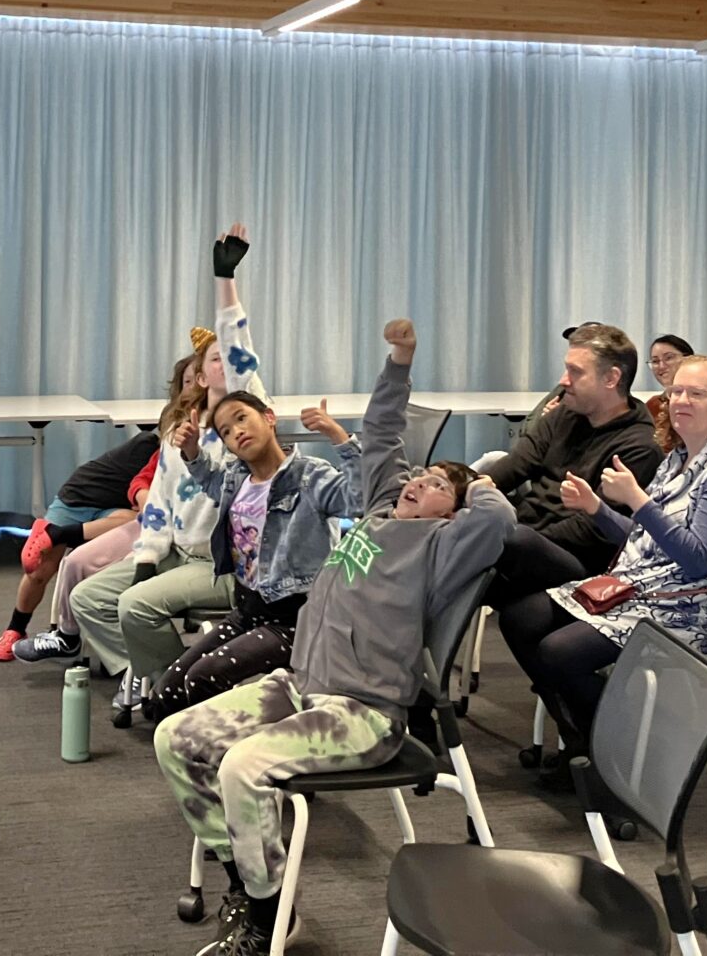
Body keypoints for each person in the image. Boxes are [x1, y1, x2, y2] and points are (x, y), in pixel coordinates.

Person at [154, 320, 513, 956]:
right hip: (302, 683)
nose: (418, 483)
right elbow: (380, 435)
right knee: (175, 738)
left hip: (362, 711)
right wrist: (399, 360)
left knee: (240, 767)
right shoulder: (380, 511)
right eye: (419, 476)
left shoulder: (441, 546)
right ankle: (252, 878)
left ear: (451, 513)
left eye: (435, 487)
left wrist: (477, 481)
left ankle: (267, 915)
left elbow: (498, 518)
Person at [496, 354, 707, 783]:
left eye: (696, 393)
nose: (681, 400)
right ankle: (587, 745)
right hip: (648, 589)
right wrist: (598, 508)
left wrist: (638, 500)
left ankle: (613, 754)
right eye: (676, 391)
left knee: (558, 652)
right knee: (520, 617)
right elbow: (644, 539)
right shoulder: (680, 458)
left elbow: (698, 560)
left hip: (698, 610)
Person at [69, 225, 262, 725]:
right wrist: (147, 554)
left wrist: (225, 279)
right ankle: (167, 671)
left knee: (134, 606)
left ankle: (175, 685)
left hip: (222, 563)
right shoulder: (182, 425)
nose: (224, 362)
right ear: (198, 374)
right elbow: (159, 497)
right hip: (176, 550)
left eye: (228, 358)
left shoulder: (246, 412)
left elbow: (238, 344)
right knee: (87, 598)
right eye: (213, 359)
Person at [0, 336, 216, 661]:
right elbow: (146, 478)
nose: (194, 386)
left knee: (114, 566)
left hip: (188, 541)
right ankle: (58, 635)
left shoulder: (224, 428)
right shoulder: (169, 433)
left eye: (201, 378)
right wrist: (145, 493)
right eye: (187, 381)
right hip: (131, 516)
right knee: (69, 564)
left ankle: (155, 671)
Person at [138, 393, 360, 723]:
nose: (236, 432)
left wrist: (339, 437)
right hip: (248, 610)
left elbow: (360, 499)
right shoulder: (237, 477)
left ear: (269, 417)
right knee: (169, 692)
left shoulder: (309, 476)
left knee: (202, 679)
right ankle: (188, 741)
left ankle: (230, 753)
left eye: (242, 418)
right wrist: (192, 452)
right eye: (226, 431)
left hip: (295, 620)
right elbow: (210, 481)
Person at [481, 323, 664, 630]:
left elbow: (590, 530)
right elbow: (515, 465)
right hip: (529, 539)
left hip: (582, 559)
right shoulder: (566, 414)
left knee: (507, 542)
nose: (563, 381)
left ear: (611, 378)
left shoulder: (640, 447)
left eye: (575, 372)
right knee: (469, 518)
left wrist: (509, 532)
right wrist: (469, 490)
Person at [645, 335, 694, 422]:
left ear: (688, 359)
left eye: (668, 358)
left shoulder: (704, 400)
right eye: (655, 361)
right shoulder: (653, 406)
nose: (661, 366)